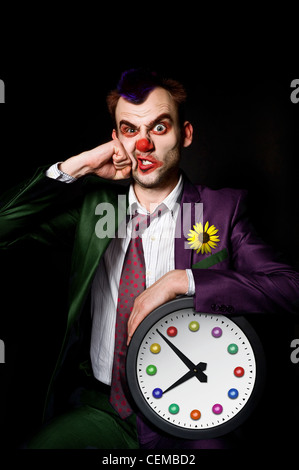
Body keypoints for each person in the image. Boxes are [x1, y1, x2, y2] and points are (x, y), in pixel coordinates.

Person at [0, 69, 298, 450]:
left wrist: (183, 280)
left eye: (158, 127)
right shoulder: (95, 211)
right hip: (105, 408)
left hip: (195, 407)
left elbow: (290, 288)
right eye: (129, 130)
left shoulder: (223, 209)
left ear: (184, 134)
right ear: (116, 139)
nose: (143, 145)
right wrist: (78, 167)